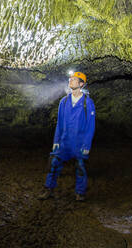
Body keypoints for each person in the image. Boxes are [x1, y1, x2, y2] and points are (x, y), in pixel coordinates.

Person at [38, 71, 96, 201]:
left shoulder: (88, 103)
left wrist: (86, 145)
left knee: (80, 167)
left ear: (81, 84)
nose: (70, 81)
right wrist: (56, 141)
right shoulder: (63, 102)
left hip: (79, 142)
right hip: (64, 141)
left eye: (74, 79)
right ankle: (49, 189)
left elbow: (90, 127)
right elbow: (59, 123)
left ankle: (80, 193)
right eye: (70, 79)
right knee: (53, 164)